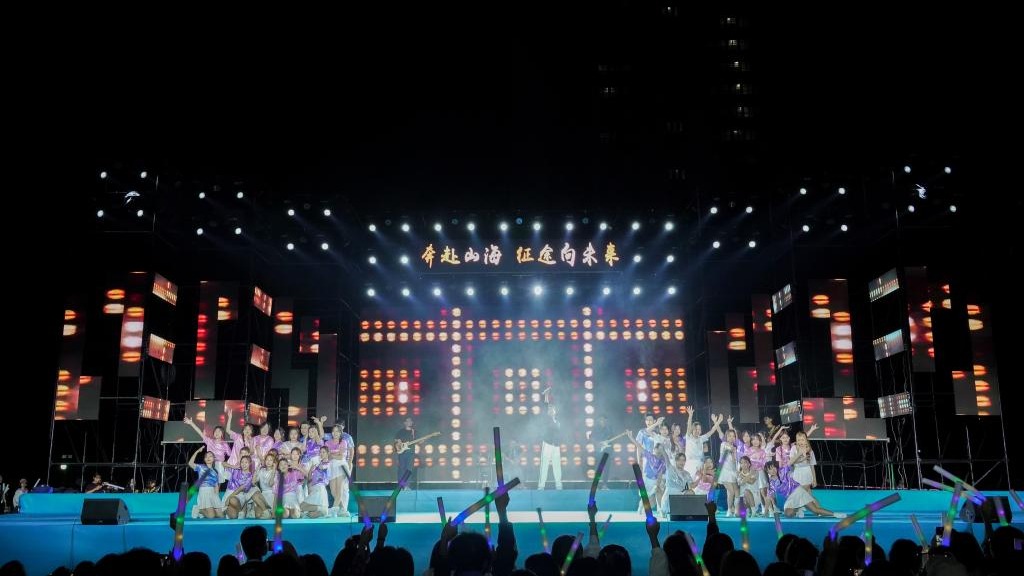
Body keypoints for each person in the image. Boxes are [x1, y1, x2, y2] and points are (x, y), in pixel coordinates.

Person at [538, 405, 563, 490]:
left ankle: (559, 485)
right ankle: (541, 486)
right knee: (544, 465)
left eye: (552, 410)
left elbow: (559, 434)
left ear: (555, 411)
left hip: (556, 446)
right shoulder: (546, 420)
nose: (551, 411)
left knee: (557, 466)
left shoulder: (558, 422)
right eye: (549, 410)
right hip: (547, 444)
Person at [394, 417, 417, 486]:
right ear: (405, 423)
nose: (409, 422)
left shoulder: (414, 432)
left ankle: (406, 485)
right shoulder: (400, 432)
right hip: (402, 453)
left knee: (409, 470)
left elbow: (420, 441)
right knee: (401, 469)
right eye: (408, 421)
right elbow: (396, 441)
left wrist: (422, 440)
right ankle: (401, 485)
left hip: (411, 453)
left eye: (410, 421)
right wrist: (399, 443)